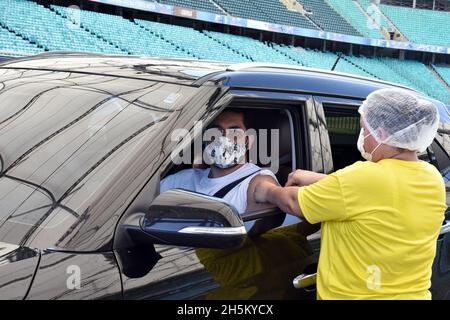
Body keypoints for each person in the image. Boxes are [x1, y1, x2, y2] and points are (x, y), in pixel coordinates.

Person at [254, 88, 447, 299]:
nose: (362, 137)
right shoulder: (432, 178)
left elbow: (294, 202)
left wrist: (266, 189)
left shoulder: (365, 177)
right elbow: (378, 197)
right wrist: (319, 180)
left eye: (365, 130)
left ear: (381, 134)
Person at [160, 108, 281, 232]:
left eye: (235, 133)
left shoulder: (257, 180)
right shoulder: (184, 179)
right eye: (216, 131)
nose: (224, 139)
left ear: (248, 141)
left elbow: (249, 239)